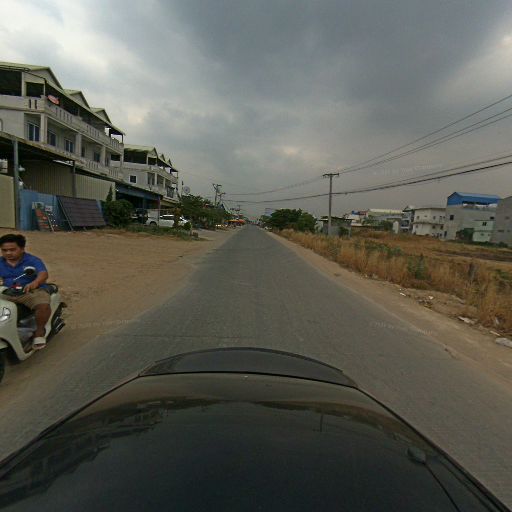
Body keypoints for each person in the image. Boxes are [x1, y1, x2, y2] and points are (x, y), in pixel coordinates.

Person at [0, 234, 51, 350]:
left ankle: (39, 332)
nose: (8, 253)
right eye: (4, 250)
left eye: (12, 250)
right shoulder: (0, 262)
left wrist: (35, 283)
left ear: (22, 249)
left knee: (43, 306)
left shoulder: (33, 260)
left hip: (30, 291)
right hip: (8, 291)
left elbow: (43, 274)